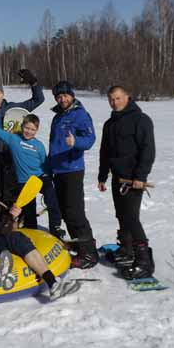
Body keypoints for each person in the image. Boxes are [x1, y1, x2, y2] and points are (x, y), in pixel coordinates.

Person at [98, 85, 156, 279]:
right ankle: (126, 249)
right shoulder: (110, 124)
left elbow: (148, 150)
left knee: (131, 218)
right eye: (111, 99)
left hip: (133, 179)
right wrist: (102, 176)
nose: (115, 102)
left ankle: (144, 262)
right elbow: (105, 152)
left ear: (127, 97)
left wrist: (140, 177)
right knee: (121, 215)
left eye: (118, 98)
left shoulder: (141, 120)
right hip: (117, 178)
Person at [0, 69, 45, 218]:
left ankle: (24, 228)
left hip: (16, 163)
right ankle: (1, 230)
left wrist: (34, 83)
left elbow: (38, 99)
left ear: (3, 94)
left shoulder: (13, 109)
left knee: (18, 200)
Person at [0, 112, 65, 238]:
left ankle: (55, 227)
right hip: (24, 181)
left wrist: (49, 177)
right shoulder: (13, 139)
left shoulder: (39, 146)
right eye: (27, 128)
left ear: (36, 130)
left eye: (32, 129)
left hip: (39, 177)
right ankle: (31, 231)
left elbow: (44, 163)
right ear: (22, 126)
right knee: (29, 210)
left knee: (51, 197)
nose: (29, 131)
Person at [49, 81, 98, 269]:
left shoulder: (80, 114)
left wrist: (75, 141)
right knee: (65, 211)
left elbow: (90, 139)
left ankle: (89, 254)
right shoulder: (58, 116)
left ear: (72, 95)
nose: (62, 99)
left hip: (72, 169)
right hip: (58, 169)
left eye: (65, 95)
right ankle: (78, 245)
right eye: (59, 96)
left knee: (75, 212)